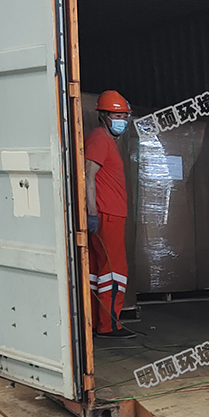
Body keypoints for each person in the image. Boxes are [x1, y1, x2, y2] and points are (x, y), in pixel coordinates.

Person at [85, 90, 137, 339]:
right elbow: (88, 176)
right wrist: (92, 213)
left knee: (100, 271)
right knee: (114, 270)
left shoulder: (105, 141)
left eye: (124, 116)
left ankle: (98, 323)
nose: (122, 121)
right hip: (107, 215)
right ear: (104, 116)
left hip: (109, 214)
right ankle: (109, 325)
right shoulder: (99, 140)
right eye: (117, 116)